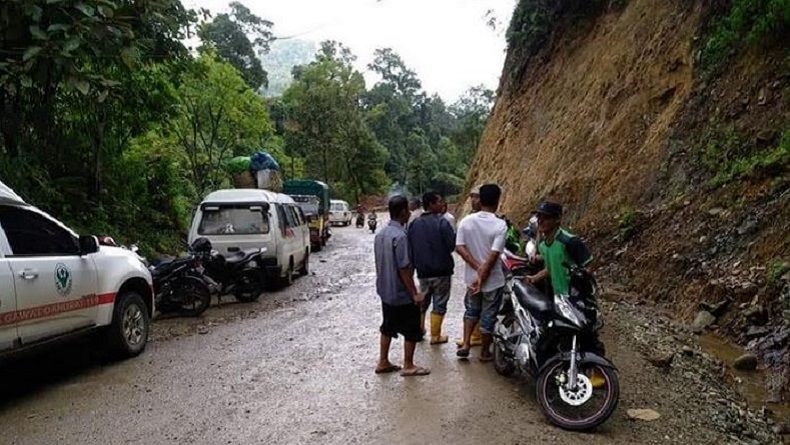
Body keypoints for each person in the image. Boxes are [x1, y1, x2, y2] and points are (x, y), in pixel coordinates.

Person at [374, 195, 430, 377]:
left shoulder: (381, 234)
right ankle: (408, 364)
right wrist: (414, 293)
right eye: (408, 210)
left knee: (388, 326)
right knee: (412, 328)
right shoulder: (400, 237)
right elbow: (404, 268)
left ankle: (383, 361)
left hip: (385, 290)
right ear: (404, 211)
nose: (410, 213)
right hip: (401, 293)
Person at [455, 184, 507, 361]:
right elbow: (493, 256)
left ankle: (466, 343)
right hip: (493, 281)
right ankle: (485, 352)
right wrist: (482, 273)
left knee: (471, 311)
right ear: (497, 201)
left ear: (480, 199)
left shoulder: (466, 221)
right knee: (489, 315)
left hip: (471, 279)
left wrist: (476, 270)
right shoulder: (500, 225)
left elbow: (459, 247)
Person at [407, 191, 456, 345]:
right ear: (431, 204)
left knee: (423, 302)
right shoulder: (442, 222)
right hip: (442, 271)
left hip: (423, 272)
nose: (442, 204)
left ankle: (420, 330)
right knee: (440, 302)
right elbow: (451, 245)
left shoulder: (414, 224)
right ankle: (435, 336)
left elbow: (411, 249)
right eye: (439, 202)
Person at [525, 201, 593, 296]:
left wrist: (580, 284)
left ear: (557, 219)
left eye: (546, 217)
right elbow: (550, 268)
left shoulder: (569, 241)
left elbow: (589, 265)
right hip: (560, 298)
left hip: (577, 297)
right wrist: (535, 278)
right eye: (539, 217)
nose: (540, 221)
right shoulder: (543, 246)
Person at [456, 185, 483, 348]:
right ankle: (475, 336)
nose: (473, 200)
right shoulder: (467, 220)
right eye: (472, 197)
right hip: (474, 272)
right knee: (471, 304)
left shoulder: (497, 220)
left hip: (483, 271)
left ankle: (476, 337)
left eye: (477, 197)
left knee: (475, 306)